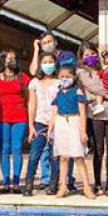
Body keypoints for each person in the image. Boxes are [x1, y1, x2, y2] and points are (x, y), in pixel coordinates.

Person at [78, 43, 108, 196]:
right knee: (98, 150)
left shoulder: (106, 69)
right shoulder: (81, 72)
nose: (90, 57)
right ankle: (96, 183)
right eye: (86, 54)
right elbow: (93, 87)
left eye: (92, 53)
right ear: (81, 57)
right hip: (95, 113)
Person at [49, 66, 96, 199]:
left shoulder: (78, 92)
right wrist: (50, 128)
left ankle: (87, 187)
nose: (64, 79)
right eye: (62, 76)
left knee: (78, 157)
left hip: (74, 121)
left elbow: (82, 113)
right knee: (63, 157)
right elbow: (54, 111)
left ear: (74, 77)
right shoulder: (59, 93)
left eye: (67, 76)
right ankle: (63, 186)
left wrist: (83, 131)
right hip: (61, 122)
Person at [0, 50, 30, 193]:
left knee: (17, 149)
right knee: (4, 149)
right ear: (3, 60)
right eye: (10, 58)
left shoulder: (22, 77)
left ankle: (16, 183)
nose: (13, 60)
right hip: (2, 118)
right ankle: (6, 182)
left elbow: (28, 98)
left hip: (20, 117)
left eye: (14, 58)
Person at [24, 53, 61, 196]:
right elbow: (32, 104)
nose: (48, 64)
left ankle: (53, 185)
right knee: (34, 154)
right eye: (45, 62)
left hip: (56, 122)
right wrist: (31, 125)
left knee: (54, 156)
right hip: (39, 122)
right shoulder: (35, 83)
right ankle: (28, 185)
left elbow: (58, 104)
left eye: (51, 61)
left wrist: (53, 123)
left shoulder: (59, 82)